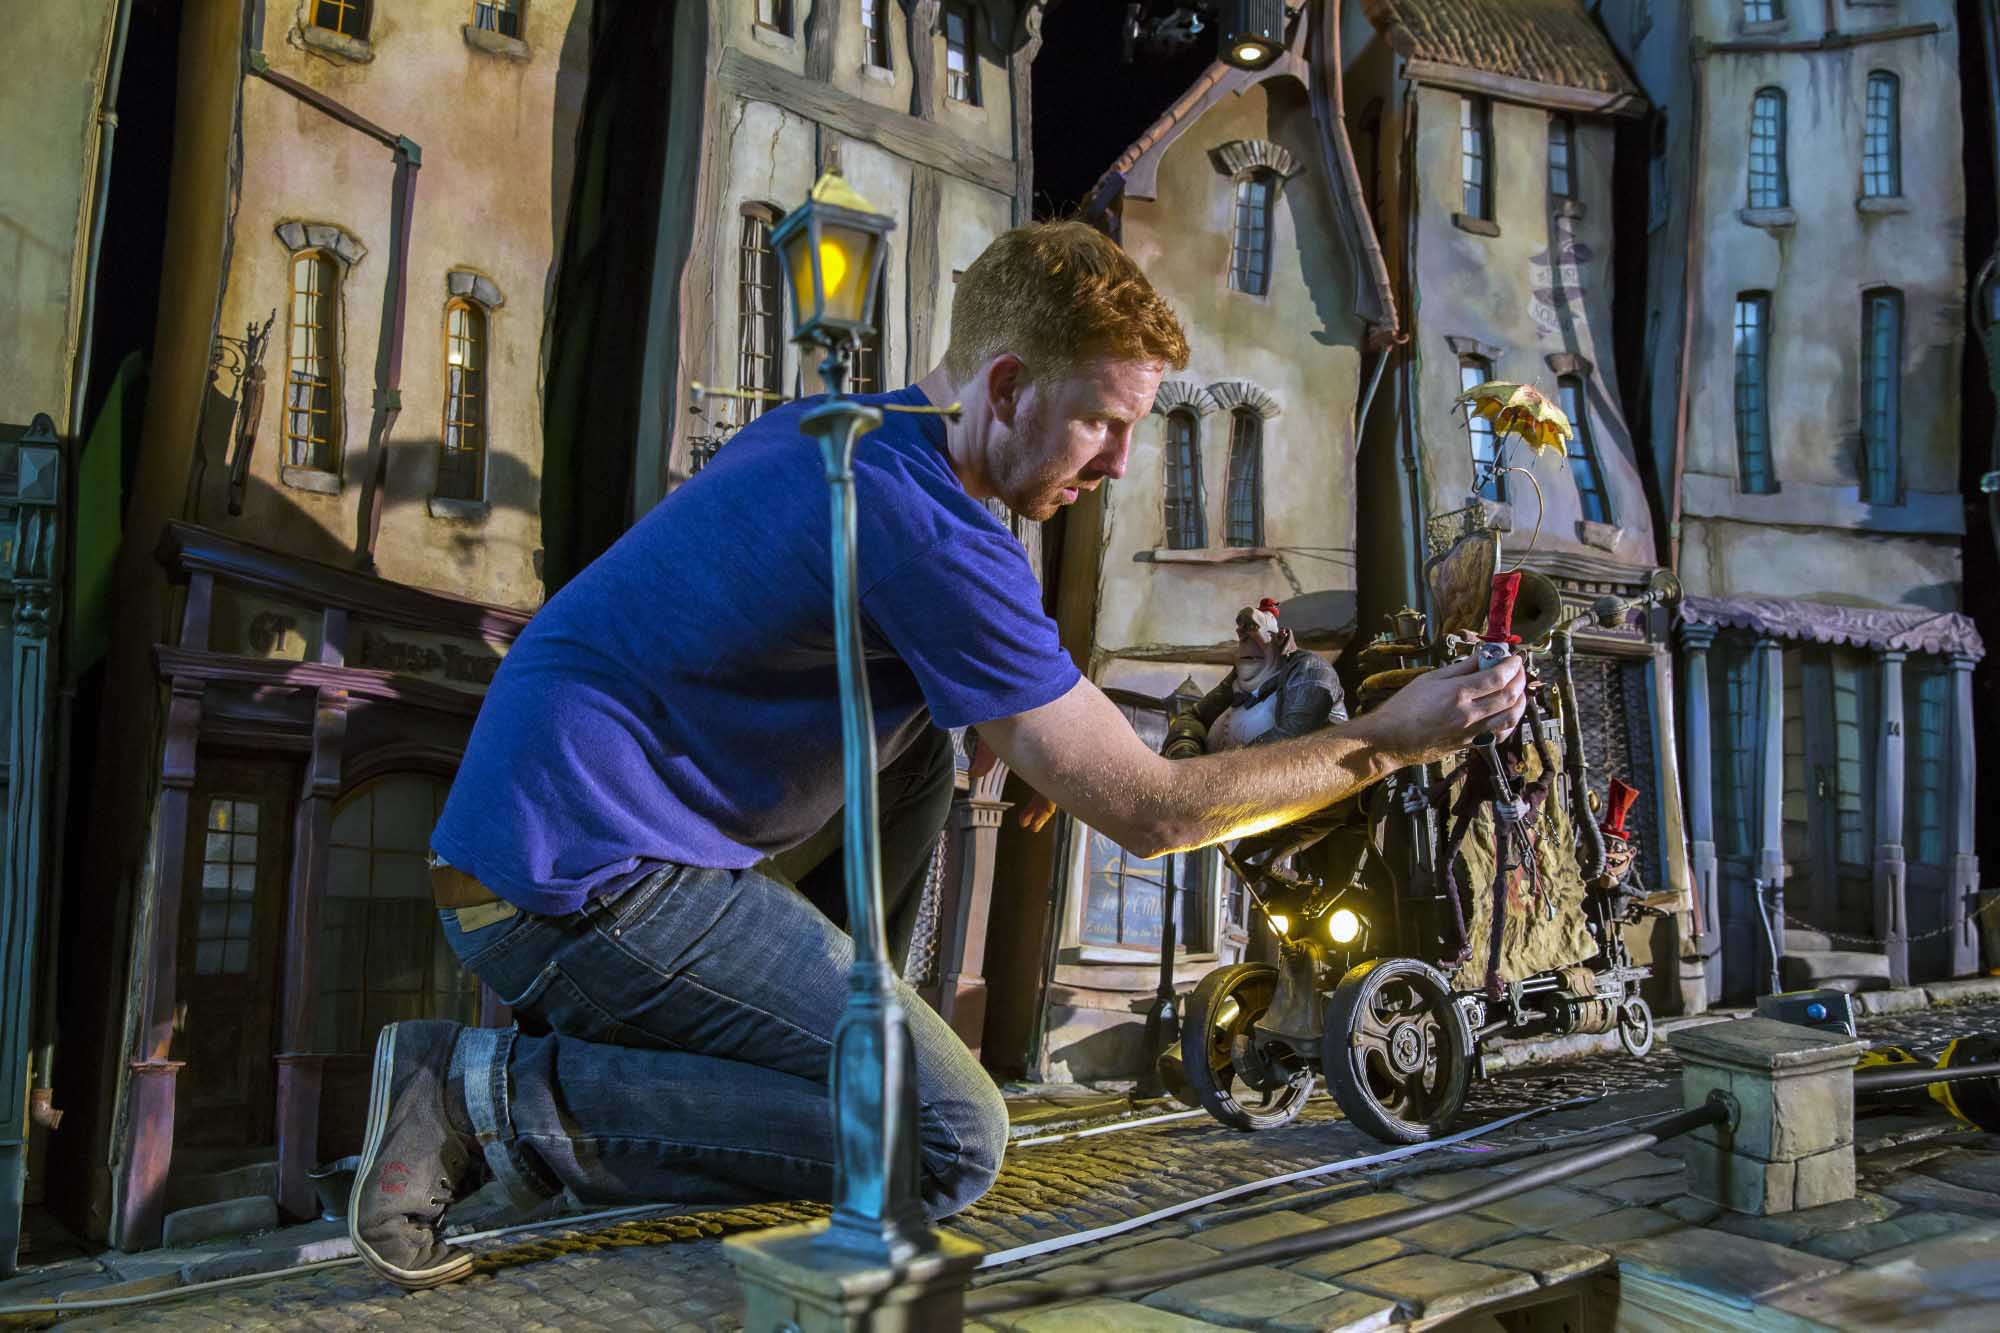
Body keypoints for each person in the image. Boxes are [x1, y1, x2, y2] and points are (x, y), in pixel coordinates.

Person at [347, 220, 1527, 1289]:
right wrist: (1387, 738)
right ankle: (479, 1097)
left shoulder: (842, 434)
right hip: (574, 888)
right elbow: (1155, 811)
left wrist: (1021, 743)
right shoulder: (935, 535)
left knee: (923, 743)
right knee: (946, 1138)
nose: (1119, 462)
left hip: (545, 839)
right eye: (1102, 421)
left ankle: (784, 1058)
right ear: (1004, 387)